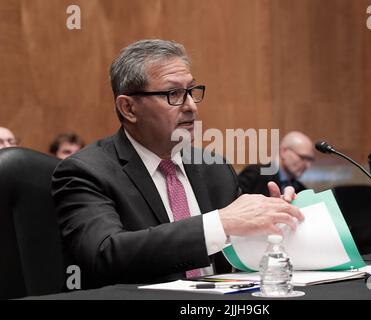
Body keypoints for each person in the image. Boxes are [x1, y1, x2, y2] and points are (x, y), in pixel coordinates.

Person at [52, 39, 303, 289]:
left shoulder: (213, 168)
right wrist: (219, 223)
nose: (191, 106)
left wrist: (272, 221)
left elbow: (235, 251)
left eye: (191, 91)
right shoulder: (86, 171)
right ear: (128, 108)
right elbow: (104, 255)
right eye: (173, 94)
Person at [239, 131, 315, 196]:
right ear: (283, 151)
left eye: (310, 160)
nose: (308, 165)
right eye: (303, 158)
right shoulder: (255, 174)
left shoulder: (302, 190)